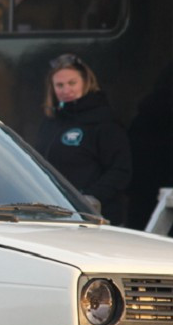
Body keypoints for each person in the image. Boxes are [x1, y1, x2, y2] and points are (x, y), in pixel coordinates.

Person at [35, 53, 131, 224]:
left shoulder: (104, 121)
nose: (66, 90)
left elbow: (120, 171)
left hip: (96, 216)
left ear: (86, 82)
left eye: (72, 83)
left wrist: (87, 198)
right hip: (54, 213)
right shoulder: (51, 121)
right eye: (60, 85)